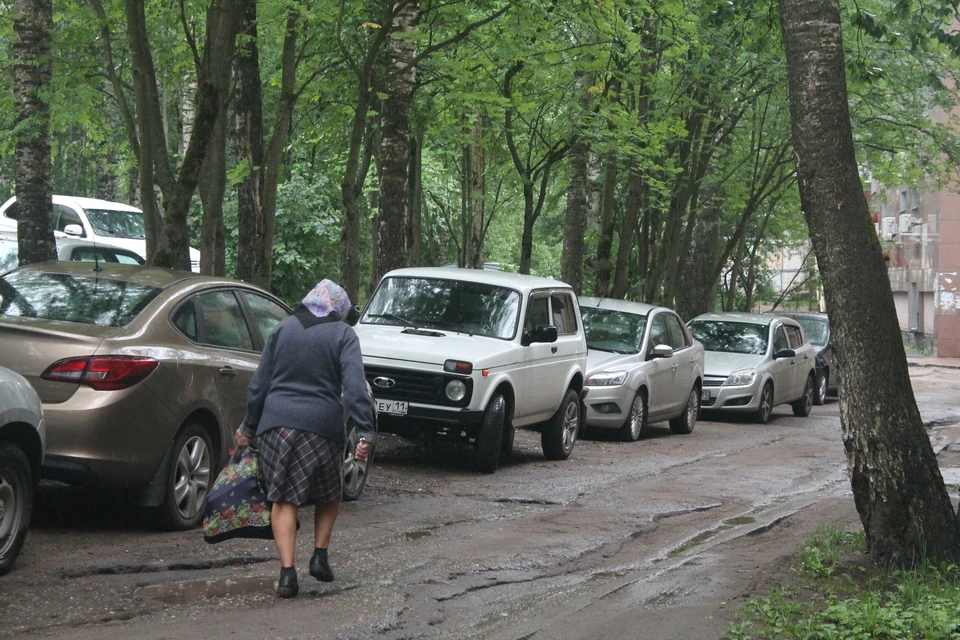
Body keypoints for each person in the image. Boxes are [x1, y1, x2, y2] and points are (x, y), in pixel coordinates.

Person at [235, 279, 375, 598]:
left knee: (283, 498)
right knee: (330, 492)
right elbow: (355, 388)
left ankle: (287, 575)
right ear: (338, 309)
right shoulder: (343, 335)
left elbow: (258, 385)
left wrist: (247, 428)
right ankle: (319, 555)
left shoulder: (283, 329)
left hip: (276, 425)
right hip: (323, 427)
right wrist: (365, 431)